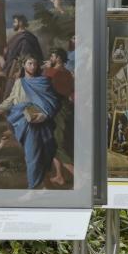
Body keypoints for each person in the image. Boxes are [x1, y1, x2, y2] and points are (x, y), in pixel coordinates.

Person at [0, 56, 59, 189]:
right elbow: (12, 99)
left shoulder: (43, 81)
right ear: (24, 65)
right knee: (33, 155)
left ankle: (34, 189)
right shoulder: (19, 82)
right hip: (23, 121)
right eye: (30, 63)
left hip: (40, 122)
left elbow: (53, 101)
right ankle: (43, 187)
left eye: (35, 64)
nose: (33, 66)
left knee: (35, 155)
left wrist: (44, 115)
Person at [43, 48, 75, 186]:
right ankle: (59, 176)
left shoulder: (58, 72)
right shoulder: (63, 72)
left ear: (59, 59)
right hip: (56, 109)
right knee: (53, 144)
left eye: (53, 55)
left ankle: (77, 176)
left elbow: (46, 87)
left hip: (58, 111)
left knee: (58, 145)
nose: (50, 57)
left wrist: (48, 70)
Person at [3, 15, 43, 99]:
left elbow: (26, 57)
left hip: (19, 72)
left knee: (16, 95)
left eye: (15, 22)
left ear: (20, 23)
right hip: (13, 70)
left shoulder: (25, 38)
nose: (13, 24)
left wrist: (20, 71)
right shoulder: (17, 36)